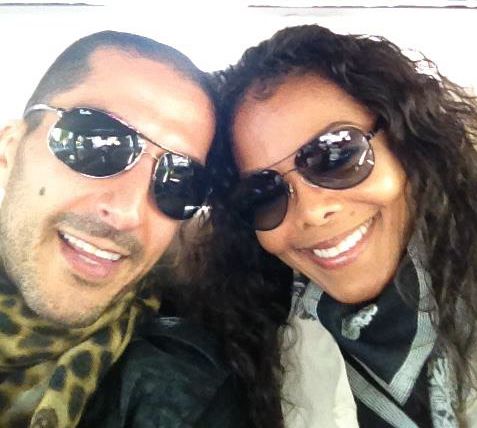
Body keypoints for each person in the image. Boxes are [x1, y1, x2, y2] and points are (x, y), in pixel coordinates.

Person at [180, 24, 477, 427]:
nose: (311, 212)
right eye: (262, 193)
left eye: (336, 156)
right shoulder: (247, 350)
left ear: (405, 141)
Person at [0, 30, 245, 428]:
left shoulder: (179, 392)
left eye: (179, 181)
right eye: (97, 143)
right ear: (9, 150)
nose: (128, 211)